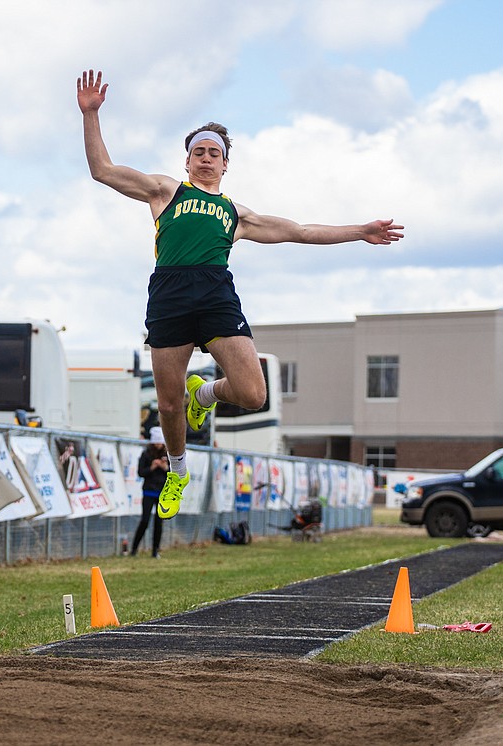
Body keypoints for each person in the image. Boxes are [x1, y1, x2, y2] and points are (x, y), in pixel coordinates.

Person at [77, 69, 404, 521]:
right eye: (199, 152)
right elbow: (103, 171)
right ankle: (177, 469)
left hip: (215, 293)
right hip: (169, 292)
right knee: (167, 404)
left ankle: (205, 394)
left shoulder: (236, 214)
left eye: (215, 152)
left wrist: (359, 231)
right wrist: (91, 115)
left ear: (226, 163)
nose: (206, 158)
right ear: (187, 160)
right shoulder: (164, 191)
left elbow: (302, 231)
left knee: (252, 393)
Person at [131, 427, 168, 558]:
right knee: (145, 520)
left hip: (162, 492)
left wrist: (165, 468)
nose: (158, 445)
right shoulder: (146, 454)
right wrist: (152, 467)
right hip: (149, 491)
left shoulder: (168, 455)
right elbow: (141, 472)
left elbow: (173, 474)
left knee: (159, 522)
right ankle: (134, 549)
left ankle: (155, 550)